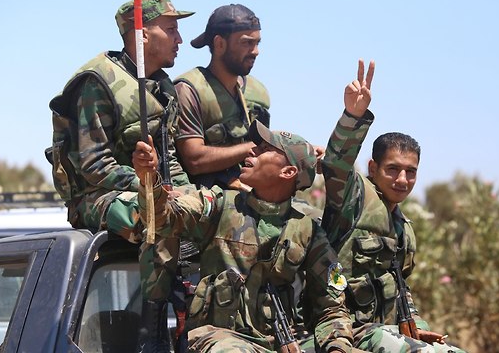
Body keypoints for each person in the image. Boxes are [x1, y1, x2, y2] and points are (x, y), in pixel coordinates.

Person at [47, 0, 193, 351]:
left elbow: (170, 158)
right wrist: (149, 185)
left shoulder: (161, 86)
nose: (180, 40)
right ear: (141, 35)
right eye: (171, 29)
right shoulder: (98, 81)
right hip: (96, 198)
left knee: (209, 213)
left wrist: (191, 198)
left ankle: (200, 321)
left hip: (151, 190)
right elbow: (95, 166)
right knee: (154, 219)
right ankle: (151, 334)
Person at [132, 121, 355, 352]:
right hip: (217, 339)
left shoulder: (308, 231)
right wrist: (150, 180)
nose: (252, 150)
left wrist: (337, 347)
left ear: (288, 172)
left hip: (280, 343)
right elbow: (163, 219)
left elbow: (332, 308)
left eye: (265, 149)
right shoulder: (219, 205)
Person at [320, 59, 467, 352]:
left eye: (410, 172)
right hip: (341, 330)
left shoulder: (403, 229)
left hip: (382, 330)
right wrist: (353, 116)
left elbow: (400, 288)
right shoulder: (354, 198)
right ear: (373, 168)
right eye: (393, 169)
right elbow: (335, 164)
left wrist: (417, 327)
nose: (402, 179)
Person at [173, 4, 270, 191]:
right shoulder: (190, 89)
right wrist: (254, 146)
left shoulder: (257, 93)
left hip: (250, 194)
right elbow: (194, 159)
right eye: (246, 43)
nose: (255, 51)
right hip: (206, 198)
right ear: (219, 44)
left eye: (257, 43)